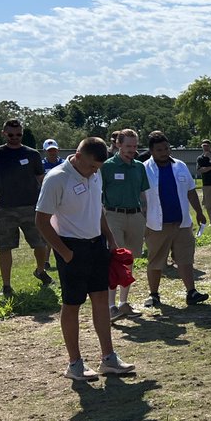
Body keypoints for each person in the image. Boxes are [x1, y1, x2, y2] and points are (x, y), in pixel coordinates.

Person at [36, 138, 136, 382]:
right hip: (71, 247)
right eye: (92, 166)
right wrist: (65, 253)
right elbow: (41, 220)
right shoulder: (57, 178)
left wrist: (110, 239)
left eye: (98, 168)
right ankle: (75, 363)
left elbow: (97, 209)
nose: (95, 171)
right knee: (72, 304)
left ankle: (108, 358)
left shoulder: (95, 174)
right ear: (78, 156)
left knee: (101, 299)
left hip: (96, 245)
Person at [0, 118, 53, 297]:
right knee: (5, 247)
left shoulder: (32, 154)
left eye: (18, 134)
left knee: (40, 245)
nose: (15, 137)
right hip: (5, 209)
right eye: (10, 134)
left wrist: (44, 203)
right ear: (3, 133)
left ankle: (40, 271)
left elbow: (42, 180)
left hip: (31, 208)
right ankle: (6, 286)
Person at [142, 131, 209, 308]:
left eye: (166, 148)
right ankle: (154, 295)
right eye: (159, 150)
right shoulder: (144, 169)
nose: (164, 152)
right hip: (157, 224)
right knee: (156, 261)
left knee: (185, 259)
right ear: (151, 151)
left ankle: (191, 292)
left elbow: (191, 190)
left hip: (182, 223)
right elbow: (140, 197)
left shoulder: (180, 166)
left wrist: (199, 212)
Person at [101, 128, 150, 320]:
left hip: (135, 215)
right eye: (128, 146)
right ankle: (110, 306)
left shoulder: (139, 166)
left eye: (135, 146)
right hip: (113, 215)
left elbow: (142, 193)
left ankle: (124, 303)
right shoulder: (107, 166)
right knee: (115, 260)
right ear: (118, 144)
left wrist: (144, 216)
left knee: (129, 260)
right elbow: (99, 192)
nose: (132, 149)